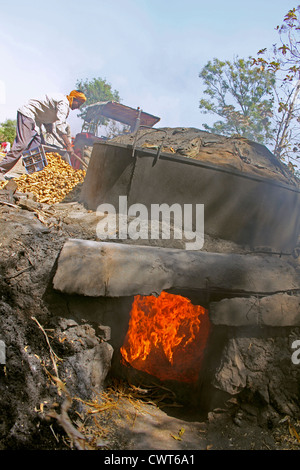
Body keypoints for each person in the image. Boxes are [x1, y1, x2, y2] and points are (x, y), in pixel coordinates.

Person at [0, 90, 86, 180]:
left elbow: (46, 111)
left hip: (37, 120)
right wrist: (68, 145)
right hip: (28, 114)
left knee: (37, 146)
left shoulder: (62, 102)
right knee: (22, 145)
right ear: (74, 99)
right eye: (79, 104)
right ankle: (1, 170)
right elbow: (60, 126)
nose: (78, 107)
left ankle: (36, 175)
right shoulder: (64, 103)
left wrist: (49, 124)